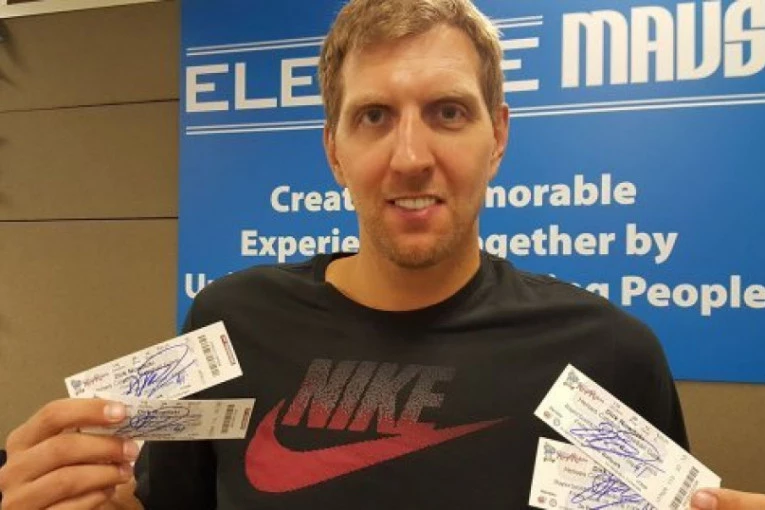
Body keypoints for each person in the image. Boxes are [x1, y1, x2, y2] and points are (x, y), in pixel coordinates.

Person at [0, 0, 761, 508]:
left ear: (497, 136)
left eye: (448, 112)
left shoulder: (610, 354)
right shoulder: (229, 323)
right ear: (334, 150)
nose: (409, 157)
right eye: (373, 116)